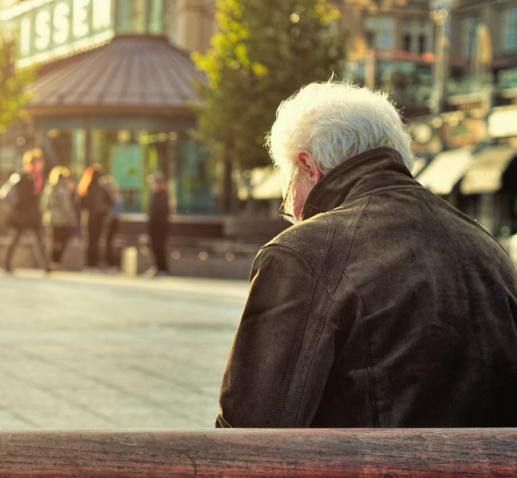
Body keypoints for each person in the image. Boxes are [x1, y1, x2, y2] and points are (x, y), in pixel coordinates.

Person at [217, 81, 517, 429]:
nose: (293, 212)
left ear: (308, 166)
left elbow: (250, 431)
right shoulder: (487, 247)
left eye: (287, 196)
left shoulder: (303, 253)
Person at [0, 149, 49, 274]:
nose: (41, 164)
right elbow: (23, 196)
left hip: (30, 214)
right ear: (35, 163)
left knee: (37, 239)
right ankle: (5, 264)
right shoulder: (27, 177)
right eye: (39, 161)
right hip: (23, 214)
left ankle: (46, 266)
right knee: (17, 239)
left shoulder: (36, 177)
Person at [77, 165, 112, 271]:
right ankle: (94, 264)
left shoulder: (85, 187)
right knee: (96, 241)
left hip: (88, 218)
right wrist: (103, 210)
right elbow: (110, 202)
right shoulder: (101, 188)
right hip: (98, 218)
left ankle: (89, 264)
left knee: (89, 241)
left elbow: (79, 203)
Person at [41, 166, 75, 271]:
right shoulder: (61, 189)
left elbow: (43, 205)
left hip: (49, 218)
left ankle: (50, 262)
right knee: (61, 241)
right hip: (61, 219)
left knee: (53, 241)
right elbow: (66, 206)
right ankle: (55, 262)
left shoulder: (48, 188)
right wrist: (71, 216)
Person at [148, 172, 169, 277]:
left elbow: (162, 212)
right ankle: (157, 267)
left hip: (159, 227)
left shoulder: (162, 195)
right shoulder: (156, 194)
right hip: (154, 226)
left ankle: (162, 268)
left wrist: (158, 224)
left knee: (159, 247)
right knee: (155, 247)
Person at [101, 176, 122, 270]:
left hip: (112, 221)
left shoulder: (114, 197)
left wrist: (106, 220)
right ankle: (109, 262)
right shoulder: (113, 196)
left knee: (109, 242)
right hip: (112, 221)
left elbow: (114, 211)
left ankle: (112, 263)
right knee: (108, 242)